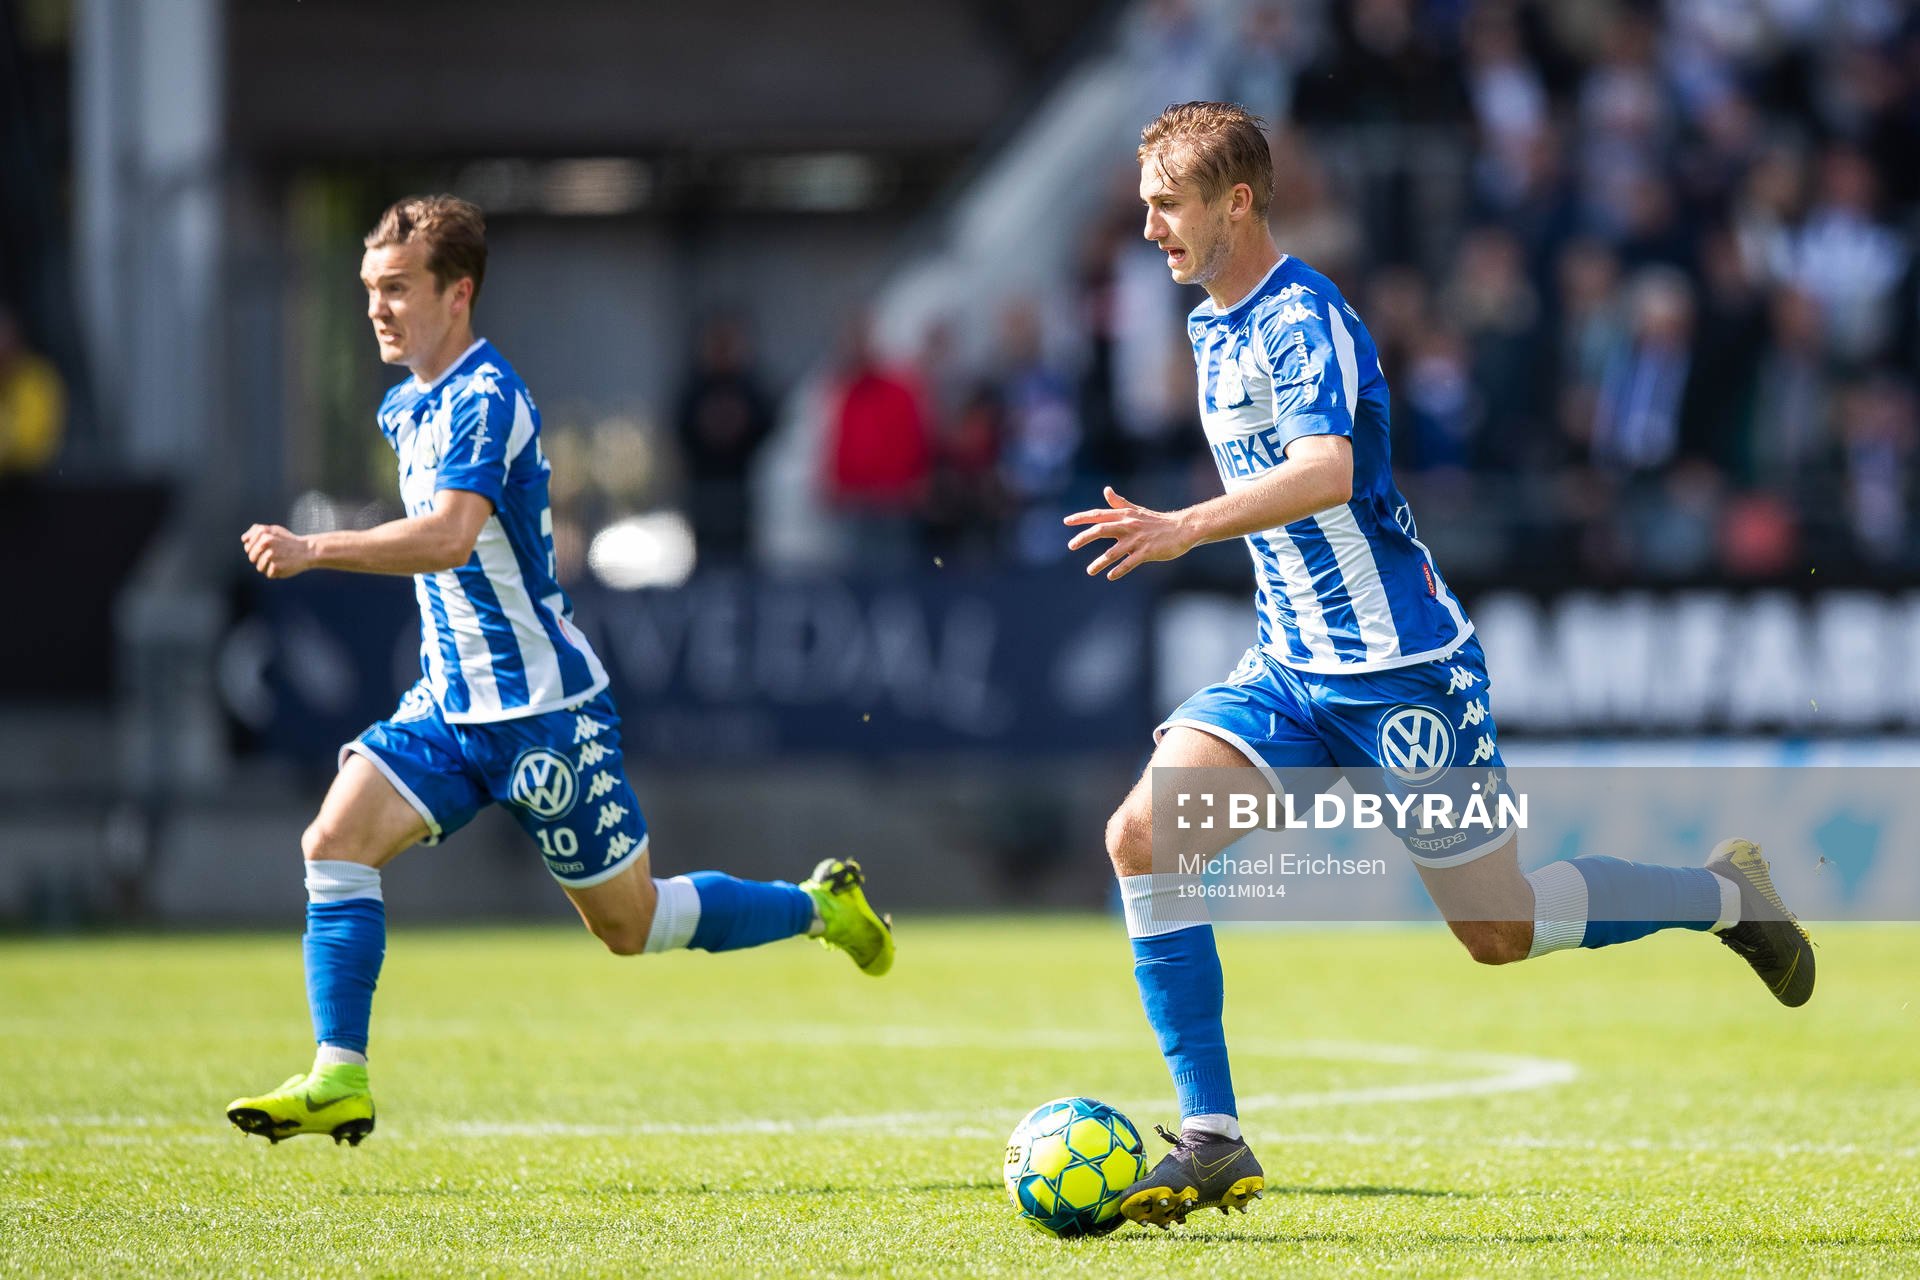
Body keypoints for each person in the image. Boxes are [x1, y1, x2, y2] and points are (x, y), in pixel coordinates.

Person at [1064, 102, 1813, 1231]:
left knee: (1497, 931)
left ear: (1238, 201)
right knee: (1139, 834)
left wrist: (1185, 526)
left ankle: (1726, 894)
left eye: (1167, 205)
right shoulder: (1210, 324)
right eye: (1145, 207)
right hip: (1289, 667)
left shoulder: (1303, 316)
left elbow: (1325, 471)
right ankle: (1212, 1133)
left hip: (1404, 672)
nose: (1151, 227)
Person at [227, 196, 893, 1147]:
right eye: (370, 290)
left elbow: (454, 537)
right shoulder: (406, 403)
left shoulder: (486, 396)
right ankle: (340, 1076)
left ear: (457, 294)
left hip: (544, 712)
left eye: (397, 289)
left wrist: (315, 548)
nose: (377, 308)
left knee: (628, 924)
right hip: (449, 708)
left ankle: (819, 907)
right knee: (333, 841)